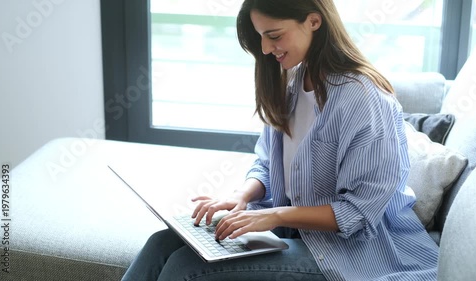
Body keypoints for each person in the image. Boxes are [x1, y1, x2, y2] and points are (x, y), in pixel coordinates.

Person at [122, 0, 439, 280]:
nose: (263, 48)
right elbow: (266, 162)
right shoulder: (291, 83)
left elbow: (357, 212)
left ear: (313, 21)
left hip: (352, 252)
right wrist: (242, 197)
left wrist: (271, 216)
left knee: (185, 268)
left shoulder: (364, 100)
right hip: (294, 233)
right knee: (161, 243)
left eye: (273, 35)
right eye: (260, 36)